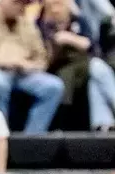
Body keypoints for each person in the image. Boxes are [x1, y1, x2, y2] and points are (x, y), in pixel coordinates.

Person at [0, 0, 64, 133]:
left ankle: (32, 139)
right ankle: (1, 136)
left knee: (54, 86)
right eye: (16, 3)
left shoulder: (26, 23)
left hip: (23, 74)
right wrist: (3, 61)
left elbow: (41, 57)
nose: (21, 7)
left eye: (23, 4)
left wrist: (31, 65)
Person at [39, 0, 115, 131]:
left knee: (96, 71)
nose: (57, 9)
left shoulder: (78, 20)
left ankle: (102, 125)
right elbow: (44, 58)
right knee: (82, 73)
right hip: (57, 67)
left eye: (60, 4)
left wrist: (71, 39)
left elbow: (93, 47)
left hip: (84, 64)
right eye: (53, 4)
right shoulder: (41, 23)